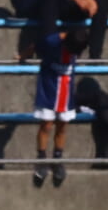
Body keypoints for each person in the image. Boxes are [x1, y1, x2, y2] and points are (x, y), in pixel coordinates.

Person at [29, 28, 89, 189]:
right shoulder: (51, 41)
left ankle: (57, 159)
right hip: (48, 91)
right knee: (46, 126)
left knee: (62, 127)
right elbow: (35, 46)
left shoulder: (79, 42)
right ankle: (41, 159)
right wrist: (22, 56)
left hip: (66, 93)